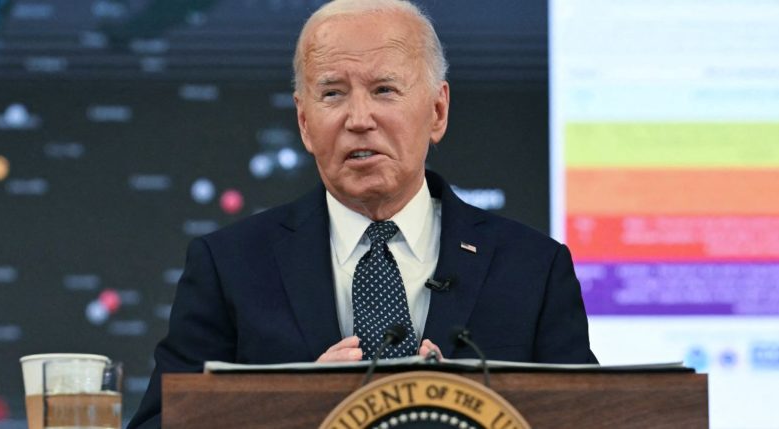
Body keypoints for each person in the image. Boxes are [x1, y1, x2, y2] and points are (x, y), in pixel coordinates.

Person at [128, 0, 597, 427]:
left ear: (437, 111)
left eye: (384, 90)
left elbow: (595, 418)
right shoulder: (228, 266)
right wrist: (289, 411)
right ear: (304, 122)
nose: (358, 118)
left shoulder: (533, 267)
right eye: (332, 94)